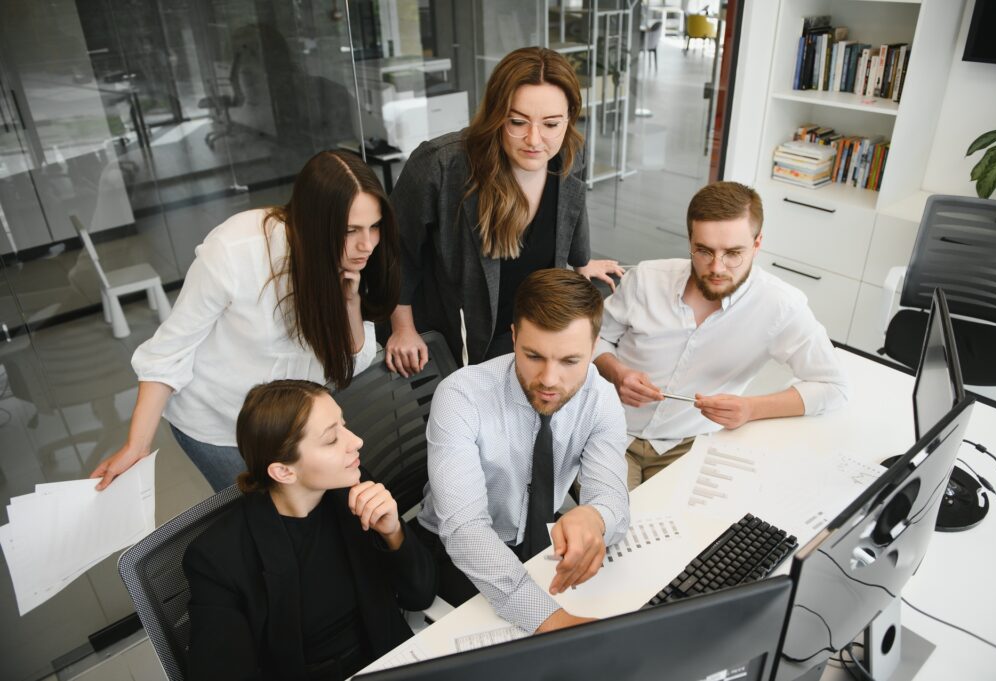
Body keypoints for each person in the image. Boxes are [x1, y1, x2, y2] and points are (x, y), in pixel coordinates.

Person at [90, 150, 400, 493]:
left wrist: (350, 303)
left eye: (375, 227)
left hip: (295, 425)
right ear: (314, 224)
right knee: (263, 517)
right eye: (350, 229)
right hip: (220, 424)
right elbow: (168, 352)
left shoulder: (356, 259)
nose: (367, 243)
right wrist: (136, 445)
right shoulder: (237, 250)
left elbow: (351, 366)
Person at [412, 269, 629, 634]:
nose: (548, 379)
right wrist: (548, 618)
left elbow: (612, 498)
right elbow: (465, 531)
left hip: (541, 538)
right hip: (459, 549)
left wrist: (596, 517)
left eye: (570, 361)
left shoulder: (601, 398)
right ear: (513, 337)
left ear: (593, 350)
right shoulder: (461, 396)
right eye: (533, 356)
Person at [594, 182, 850, 490]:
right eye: (704, 251)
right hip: (609, 431)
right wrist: (616, 371)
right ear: (690, 241)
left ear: (757, 244)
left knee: (687, 532)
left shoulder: (781, 306)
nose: (717, 268)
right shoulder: (645, 280)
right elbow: (594, 338)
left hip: (689, 445)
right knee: (611, 526)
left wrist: (750, 409)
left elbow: (832, 386)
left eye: (733, 253)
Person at [384, 46, 622, 376]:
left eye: (551, 123)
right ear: (497, 115)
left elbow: (572, 211)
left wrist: (581, 262)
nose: (535, 140)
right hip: (458, 335)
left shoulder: (569, 153)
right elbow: (395, 252)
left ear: (569, 118)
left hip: (526, 332)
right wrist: (403, 328)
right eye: (517, 122)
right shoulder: (440, 166)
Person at [183, 380, 436, 681]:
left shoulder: (352, 489)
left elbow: (421, 595)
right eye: (331, 439)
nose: (356, 441)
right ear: (283, 471)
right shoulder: (217, 560)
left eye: (344, 424)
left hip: (392, 661)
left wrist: (393, 533)